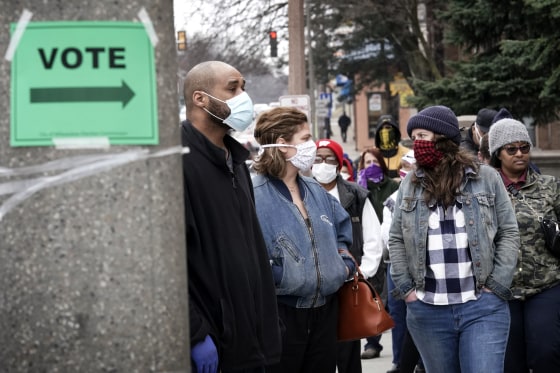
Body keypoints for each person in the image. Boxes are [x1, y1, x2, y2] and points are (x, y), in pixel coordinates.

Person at [388, 105, 520, 373]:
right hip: (428, 310)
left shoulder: (486, 178)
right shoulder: (409, 183)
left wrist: (497, 285)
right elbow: (396, 238)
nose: (417, 144)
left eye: (422, 136)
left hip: (482, 307)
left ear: (443, 138)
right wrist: (407, 290)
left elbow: (508, 231)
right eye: (413, 138)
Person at [181, 61, 282, 373]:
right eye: (233, 88)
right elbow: (168, 260)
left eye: (244, 88)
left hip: (254, 343)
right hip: (215, 342)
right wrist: (195, 333)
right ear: (200, 98)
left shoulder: (236, 160)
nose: (243, 96)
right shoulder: (177, 163)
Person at [251, 107, 356, 373]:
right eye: (305, 137)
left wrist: (344, 264)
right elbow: (246, 255)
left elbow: (342, 233)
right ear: (284, 145)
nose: (311, 145)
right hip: (281, 316)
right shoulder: (253, 194)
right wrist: (280, 275)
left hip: (325, 313)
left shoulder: (316, 191)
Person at [487, 118, 560, 373]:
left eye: (524, 148)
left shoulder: (550, 186)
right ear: (497, 153)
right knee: (509, 362)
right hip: (501, 289)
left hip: (546, 285)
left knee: (546, 353)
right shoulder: (484, 190)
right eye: (511, 149)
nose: (519, 154)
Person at [312, 138, 384, 373]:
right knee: (319, 350)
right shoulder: (303, 191)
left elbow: (373, 237)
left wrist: (363, 272)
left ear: (339, 162)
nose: (323, 164)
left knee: (347, 351)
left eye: (329, 158)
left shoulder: (356, 195)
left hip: (347, 283)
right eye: (318, 158)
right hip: (316, 285)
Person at [381, 150, 424, 373]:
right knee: (398, 317)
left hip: (424, 269)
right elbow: (388, 236)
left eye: (413, 166)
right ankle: (400, 362)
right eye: (407, 166)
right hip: (397, 267)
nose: (410, 172)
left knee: (420, 318)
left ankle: (420, 364)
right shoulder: (393, 200)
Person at [357, 147, 401, 359]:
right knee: (372, 297)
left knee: (390, 299)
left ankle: (398, 346)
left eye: (375, 161)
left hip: (390, 248)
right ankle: (372, 343)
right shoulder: (359, 188)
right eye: (367, 162)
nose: (371, 166)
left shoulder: (393, 186)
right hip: (370, 249)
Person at [374, 115, 410, 181]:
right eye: (381, 128)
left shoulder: (407, 154)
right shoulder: (372, 155)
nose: (384, 131)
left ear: (395, 131)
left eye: (388, 127)